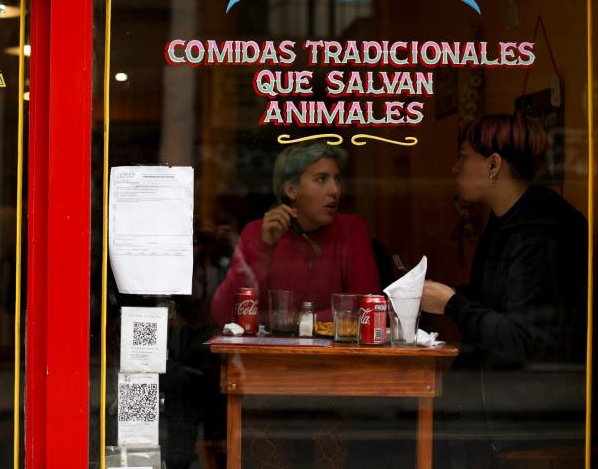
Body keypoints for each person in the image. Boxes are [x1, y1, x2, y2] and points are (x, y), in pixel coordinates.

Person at [422, 114, 587, 465]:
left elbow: (521, 339)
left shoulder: (540, 234)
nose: (455, 168)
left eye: (463, 156)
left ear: (493, 164)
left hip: (530, 414)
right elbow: (495, 301)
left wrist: (452, 303)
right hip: (497, 398)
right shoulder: (505, 221)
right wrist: (444, 295)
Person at [211, 142, 380, 326]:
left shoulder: (351, 229)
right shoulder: (257, 232)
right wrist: (263, 249)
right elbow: (223, 315)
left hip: (331, 344)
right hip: (269, 345)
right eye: (321, 179)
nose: (335, 190)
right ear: (291, 190)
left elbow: (368, 307)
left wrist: (300, 321)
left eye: (337, 179)